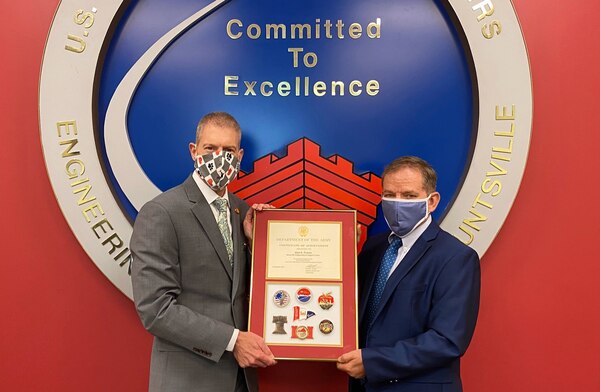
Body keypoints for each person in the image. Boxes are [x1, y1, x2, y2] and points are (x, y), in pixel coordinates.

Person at [130, 112, 276, 392]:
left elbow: (245, 292)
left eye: (229, 150)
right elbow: (155, 308)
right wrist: (233, 341)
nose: (220, 158)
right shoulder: (161, 212)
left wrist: (259, 244)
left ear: (240, 155)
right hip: (188, 379)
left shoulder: (244, 213)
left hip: (241, 380)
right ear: (194, 151)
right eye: (211, 148)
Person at [337, 156, 480, 392]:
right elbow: (352, 308)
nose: (397, 203)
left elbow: (447, 340)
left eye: (409, 196)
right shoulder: (373, 248)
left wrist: (373, 363)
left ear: (432, 201)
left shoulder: (455, 258)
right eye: (390, 195)